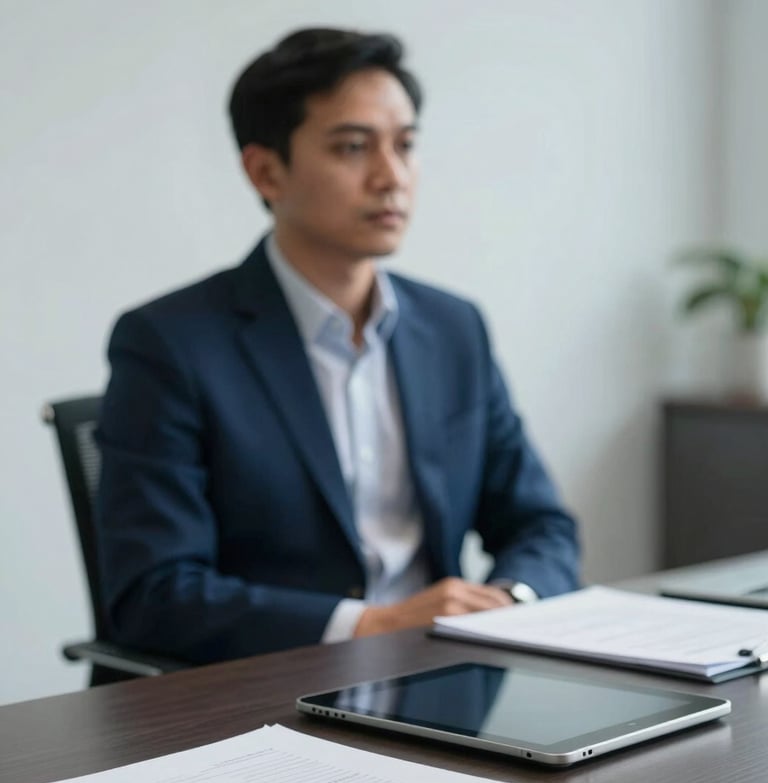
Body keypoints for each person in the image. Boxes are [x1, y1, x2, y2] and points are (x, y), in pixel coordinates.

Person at [95, 27, 580, 668]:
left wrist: (509, 600)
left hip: (442, 681)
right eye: (354, 147)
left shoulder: (454, 328)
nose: (392, 176)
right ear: (265, 170)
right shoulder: (169, 344)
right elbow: (153, 591)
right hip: (262, 697)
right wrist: (371, 624)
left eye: (405, 146)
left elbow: (542, 527)